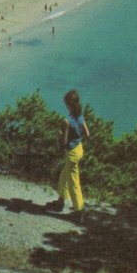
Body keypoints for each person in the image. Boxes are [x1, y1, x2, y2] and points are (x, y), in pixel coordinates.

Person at [46, 89, 89, 223]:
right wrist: (76, 137)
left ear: (68, 104)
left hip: (71, 153)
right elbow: (87, 134)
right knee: (64, 176)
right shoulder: (79, 116)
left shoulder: (66, 121)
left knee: (73, 182)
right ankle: (60, 201)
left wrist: (59, 136)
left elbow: (64, 143)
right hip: (79, 149)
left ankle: (79, 211)